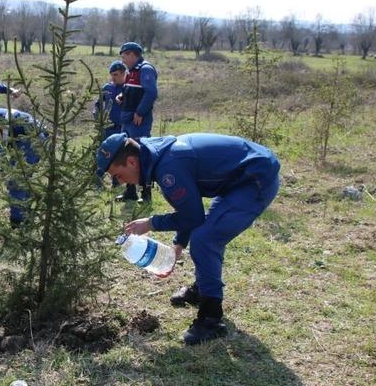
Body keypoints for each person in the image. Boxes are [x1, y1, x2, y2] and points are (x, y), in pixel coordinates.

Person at [96, 132, 280, 345]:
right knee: (206, 232)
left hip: (255, 179)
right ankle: (203, 288)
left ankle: (211, 318)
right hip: (239, 179)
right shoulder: (157, 157)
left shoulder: (168, 168)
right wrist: (178, 246)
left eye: (118, 175)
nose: (119, 182)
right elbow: (188, 208)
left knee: (205, 239)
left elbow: (192, 217)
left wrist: (151, 223)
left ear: (131, 161)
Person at [115, 41, 158, 203]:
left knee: (141, 155)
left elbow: (151, 93)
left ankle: (146, 194)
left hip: (138, 121)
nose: (123, 60)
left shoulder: (145, 69)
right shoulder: (131, 71)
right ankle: (130, 191)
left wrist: (140, 112)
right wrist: (122, 96)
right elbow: (133, 91)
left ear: (132, 55)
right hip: (127, 120)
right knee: (126, 155)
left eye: (124, 56)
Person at [92, 60, 127, 139]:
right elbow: (98, 104)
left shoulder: (129, 88)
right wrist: (96, 114)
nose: (113, 77)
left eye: (116, 74)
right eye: (112, 75)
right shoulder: (107, 87)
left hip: (123, 129)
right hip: (108, 128)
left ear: (123, 74)